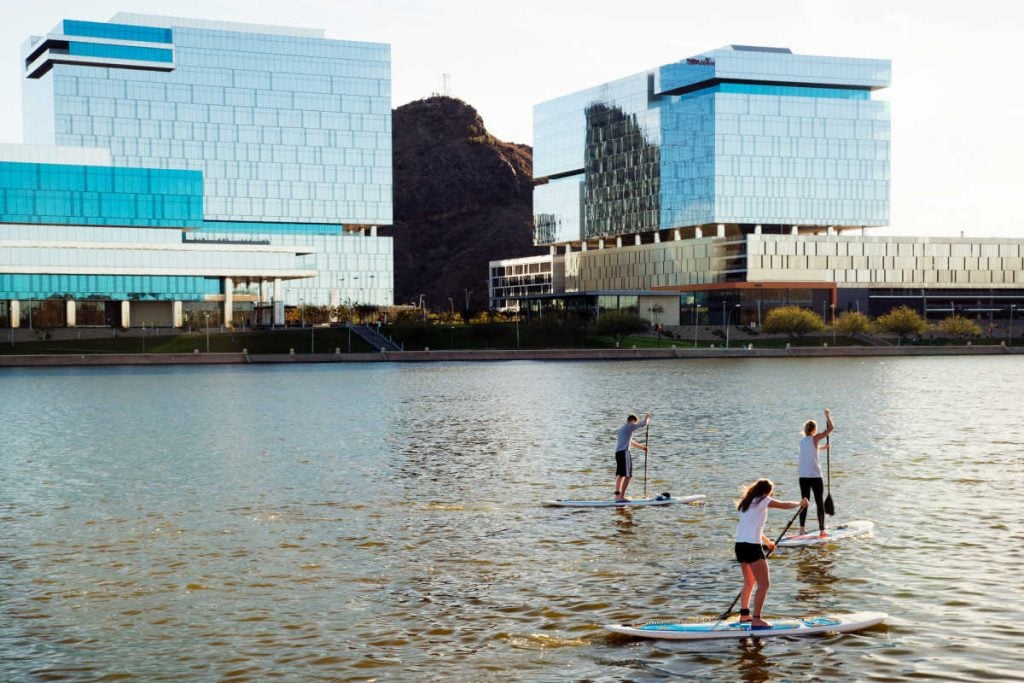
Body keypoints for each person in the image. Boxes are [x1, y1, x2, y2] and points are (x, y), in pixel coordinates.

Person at [735, 478, 808, 629]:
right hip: (751, 547)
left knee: (749, 582)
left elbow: (752, 529)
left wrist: (768, 542)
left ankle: (744, 615)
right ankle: (756, 619)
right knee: (764, 584)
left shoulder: (746, 503)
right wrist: (800, 503)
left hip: (740, 545)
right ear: (767, 491)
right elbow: (783, 505)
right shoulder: (763, 500)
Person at [798, 408, 834, 537]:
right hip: (815, 476)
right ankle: (822, 530)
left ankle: (801, 529)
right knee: (819, 502)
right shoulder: (815, 438)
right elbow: (831, 428)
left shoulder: (802, 441)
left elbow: (810, 450)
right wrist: (827, 416)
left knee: (804, 502)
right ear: (814, 430)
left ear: (805, 429)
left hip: (803, 477)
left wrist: (822, 448)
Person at [614, 412, 650, 501]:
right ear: (632, 420)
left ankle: (617, 496)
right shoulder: (630, 425)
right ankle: (621, 497)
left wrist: (642, 447)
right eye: (635, 422)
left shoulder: (622, 428)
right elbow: (644, 424)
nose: (635, 425)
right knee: (628, 475)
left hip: (618, 453)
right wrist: (647, 417)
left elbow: (630, 442)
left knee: (621, 475)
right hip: (624, 453)